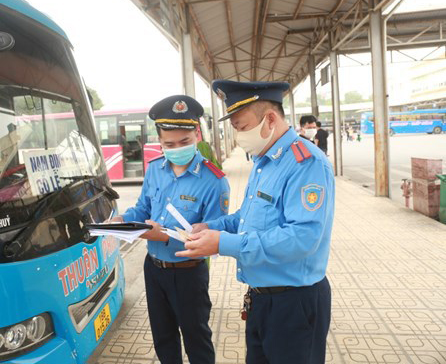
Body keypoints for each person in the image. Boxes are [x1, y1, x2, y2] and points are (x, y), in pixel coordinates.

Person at [176, 80, 335, 364]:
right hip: (262, 298)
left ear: (270, 119)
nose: (239, 136)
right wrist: (212, 228)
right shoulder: (265, 161)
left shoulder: (306, 162)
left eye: (241, 127)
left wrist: (222, 244)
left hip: (294, 302)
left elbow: (302, 237)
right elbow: (246, 219)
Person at [110, 95, 230, 364]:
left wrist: (163, 235)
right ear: (159, 141)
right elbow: (142, 208)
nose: (177, 149)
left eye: (184, 142)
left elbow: (212, 237)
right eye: (169, 144)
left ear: (196, 134)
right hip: (153, 270)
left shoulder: (214, 181)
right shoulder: (155, 170)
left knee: (196, 340)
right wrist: (122, 221)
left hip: (188, 275)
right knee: (163, 338)